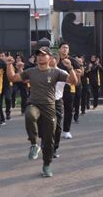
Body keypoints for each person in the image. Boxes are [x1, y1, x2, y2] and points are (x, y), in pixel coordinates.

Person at [6, 46, 77, 177]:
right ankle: (34, 144)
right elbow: (12, 78)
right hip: (34, 103)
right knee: (29, 114)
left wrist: (70, 68)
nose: (40, 56)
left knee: (49, 139)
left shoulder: (56, 72)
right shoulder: (31, 71)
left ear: (50, 57)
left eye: (43, 55)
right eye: (38, 54)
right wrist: (9, 64)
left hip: (50, 107)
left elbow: (73, 81)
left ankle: (46, 165)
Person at [57, 42, 81, 139]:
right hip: (56, 87)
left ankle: (66, 130)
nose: (65, 49)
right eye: (63, 47)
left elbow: (80, 71)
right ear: (59, 49)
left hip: (69, 86)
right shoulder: (55, 60)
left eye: (67, 48)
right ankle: (54, 130)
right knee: (55, 109)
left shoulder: (72, 61)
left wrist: (72, 71)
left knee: (68, 108)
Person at [0, 52, 14, 124]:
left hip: (7, 85)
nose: (1, 57)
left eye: (3, 56)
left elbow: (13, 73)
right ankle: (1, 118)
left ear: (6, 57)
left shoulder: (9, 64)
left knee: (8, 98)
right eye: (0, 56)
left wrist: (9, 64)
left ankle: (8, 112)